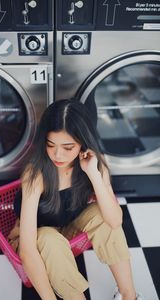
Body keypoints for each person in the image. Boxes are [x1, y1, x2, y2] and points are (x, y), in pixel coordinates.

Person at [8, 99, 145, 300]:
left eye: (68, 147)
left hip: (68, 224)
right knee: (49, 239)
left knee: (103, 215)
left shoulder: (93, 163)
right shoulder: (36, 174)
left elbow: (115, 221)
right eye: (50, 144)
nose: (57, 154)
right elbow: (28, 251)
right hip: (36, 235)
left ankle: (128, 295)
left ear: (83, 142)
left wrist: (93, 174)